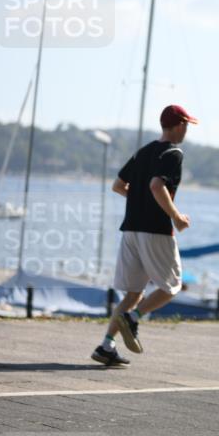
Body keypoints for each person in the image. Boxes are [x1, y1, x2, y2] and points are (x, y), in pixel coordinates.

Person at [91, 105, 198, 367]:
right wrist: (175, 216)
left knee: (132, 293)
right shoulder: (173, 153)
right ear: (176, 125)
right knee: (171, 286)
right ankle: (134, 318)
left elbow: (118, 186)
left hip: (130, 229)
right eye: (185, 124)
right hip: (155, 230)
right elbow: (156, 185)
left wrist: (140, 201)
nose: (187, 130)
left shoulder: (143, 151)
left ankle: (106, 346)